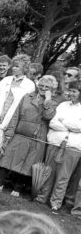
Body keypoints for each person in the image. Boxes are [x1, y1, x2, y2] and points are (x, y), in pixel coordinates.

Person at [0, 75, 58, 196]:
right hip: (20, 133)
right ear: (37, 85)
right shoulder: (27, 97)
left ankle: (17, 189)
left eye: (47, 87)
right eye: (41, 85)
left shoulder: (53, 103)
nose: (43, 88)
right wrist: (9, 132)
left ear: (52, 89)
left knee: (27, 164)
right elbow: (16, 115)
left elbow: (48, 116)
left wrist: (47, 100)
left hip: (36, 137)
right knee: (7, 157)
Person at [35, 81, 81, 212]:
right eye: (70, 90)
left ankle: (55, 202)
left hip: (73, 147)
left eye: (74, 91)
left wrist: (64, 121)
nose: (70, 93)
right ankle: (42, 197)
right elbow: (53, 122)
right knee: (49, 171)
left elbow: (79, 127)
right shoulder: (62, 105)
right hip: (55, 142)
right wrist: (68, 126)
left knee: (63, 176)